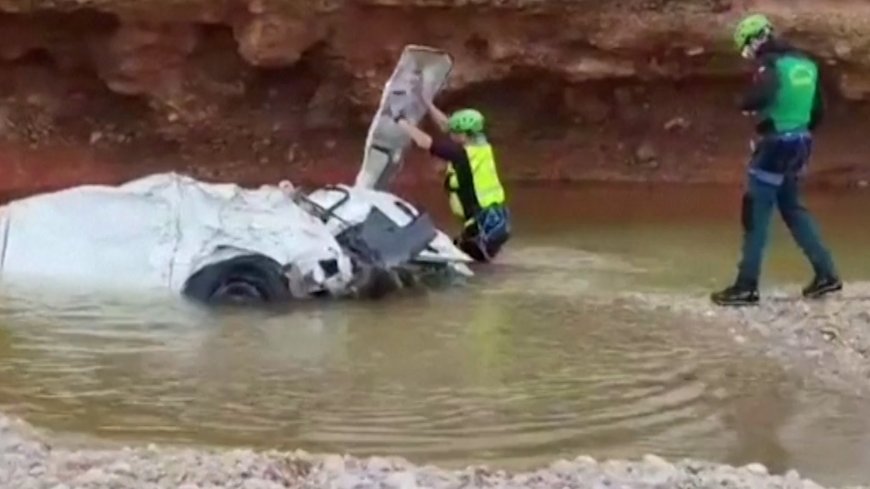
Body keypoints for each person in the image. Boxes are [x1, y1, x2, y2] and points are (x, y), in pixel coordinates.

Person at [711, 13, 842, 306]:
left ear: (756, 39)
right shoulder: (806, 64)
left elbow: (762, 94)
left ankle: (745, 287)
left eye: (746, 46)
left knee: (755, 214)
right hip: (801, 144)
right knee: (794, 209)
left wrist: (744, 104)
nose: (747, 54)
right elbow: (818, 110)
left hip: (775, 146)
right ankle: (827, 275)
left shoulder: (769, 64)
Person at [392, 98, 510, 263]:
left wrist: (399, 120)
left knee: (468, 267)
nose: (451, 133)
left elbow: (424, 142)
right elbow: (447, 125)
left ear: (465, 135)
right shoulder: (482, 146)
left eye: (456, 132)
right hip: (496, 222)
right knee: (474, 261)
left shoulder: (460, 155)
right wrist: (426, 102)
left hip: (481, 229)